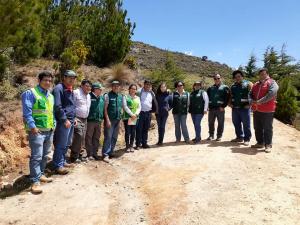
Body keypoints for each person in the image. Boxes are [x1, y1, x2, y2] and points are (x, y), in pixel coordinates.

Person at [22, 71, 55, 194]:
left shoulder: (50, 96)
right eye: (45, 80)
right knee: (36, 156)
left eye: (50, 80)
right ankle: (34, 181)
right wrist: (32, 127)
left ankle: (40, 174)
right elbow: (27, 112)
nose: (48, 82)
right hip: (37, 131)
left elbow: (51, 112)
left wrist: (54, 124)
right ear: (39, 80)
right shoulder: (31, 93)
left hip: (49, 130)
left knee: (45, 155)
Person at [52, 70, 77, 175]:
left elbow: (71, 106)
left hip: (71, 120)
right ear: (64, 78)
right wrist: (64, 119)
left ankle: (62, 161)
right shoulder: (59, 88)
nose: (72, 80)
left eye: (74, 78)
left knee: (67, 143)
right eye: (70, 77)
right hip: (63, 121)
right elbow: (57, 106)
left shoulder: (70, 89)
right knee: (61, 143)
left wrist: (74, 118)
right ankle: (58, 165)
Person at [250, 68, 279, 153]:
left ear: (267, 74)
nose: (262, 75)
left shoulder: (272, 83)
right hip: (257, 110)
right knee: (257, 127)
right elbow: (250, 93)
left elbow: (271, 94)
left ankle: (268, 145)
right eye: (260, 74)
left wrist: (259, 102)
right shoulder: (256, 84)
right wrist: (251, 101)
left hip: (268, 111)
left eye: (263, 74)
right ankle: (260, 143)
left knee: (267, 128)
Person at [70, 79, 92, 163]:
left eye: (89, 86)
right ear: (82, 85)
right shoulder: (76, 92)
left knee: (83, 137)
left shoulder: (89, 95)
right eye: (86, 86)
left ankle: (80, 155)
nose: (88, 88)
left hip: (85, 119)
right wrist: (73, 117)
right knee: (78, 136)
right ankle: (74, 156)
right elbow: (71, 105)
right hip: (77, 118)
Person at [229, 70, 253, 146]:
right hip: (235, 108)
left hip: (245, 108)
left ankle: (247, 139)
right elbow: (230, 96)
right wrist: (230, 103)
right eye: (236, 77)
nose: (237, 78)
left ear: (242, 76)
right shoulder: (233, 86)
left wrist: (250, 105)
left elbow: (253, 95)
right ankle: (239, 137)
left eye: (239, 76)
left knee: (246, 124)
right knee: (236, 123)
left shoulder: (248, 84)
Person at [102, 80, 123, 163]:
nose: (116, 87)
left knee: (114, 137)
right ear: (112, 86)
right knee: (108, 137)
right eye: (114, 86)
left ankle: (111, 152)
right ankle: (105, 154)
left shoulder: (120, 96)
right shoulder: (107, 96)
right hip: (110, 120)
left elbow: (120, 108)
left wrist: (120, 121)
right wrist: (107, 120)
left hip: (117, 120)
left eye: (117, 86)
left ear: (119, 87)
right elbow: (105, 109)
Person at [135, 80, 158, 149]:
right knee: (139, 129)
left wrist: (155, 110)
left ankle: (144, 143)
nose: (148, 86)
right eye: (147, 84)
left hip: (148, 113)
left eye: (149, 84)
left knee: (146, 128)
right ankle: (138, 144)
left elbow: (154, 102)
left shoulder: (151, 93)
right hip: (140, 113)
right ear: (144, 84)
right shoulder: (139, 92)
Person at [206, 74, 230, 141]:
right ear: (213, 79)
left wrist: (223, 106)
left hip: (220, 109)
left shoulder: (225, 87)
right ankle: (211, 135)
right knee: (210, 122)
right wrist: (208, 107)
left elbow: (227, 98)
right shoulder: (210, 88)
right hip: (212, 109)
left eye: (218, 78)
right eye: (215, 78)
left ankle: (219, 136)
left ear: (220, 78)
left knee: (220, 123)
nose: (217, 80)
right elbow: (207, 98)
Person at [85, 82, 105, 160]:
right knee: (89, 137)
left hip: (99, 121)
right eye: (99, 89)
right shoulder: (88, 96)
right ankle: (89, 154)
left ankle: (95, 153)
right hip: (90, 121)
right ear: (95, 89)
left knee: (96, 137)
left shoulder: (101, 98)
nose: (101, 90)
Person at [122, 84, 141, 152]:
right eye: (132, 88)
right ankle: (127, 146)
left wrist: (135, 114)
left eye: (135, 89)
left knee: (133, 132)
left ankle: (131, 146)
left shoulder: (137, 98)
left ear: (136, 90)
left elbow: (139, 107)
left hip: (135, 117)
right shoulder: (125, 97)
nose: (133, 90)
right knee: (127, 132)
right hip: (127, 117)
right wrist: (131, 114)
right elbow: (125, 106)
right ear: (129, 89)